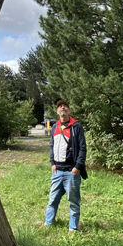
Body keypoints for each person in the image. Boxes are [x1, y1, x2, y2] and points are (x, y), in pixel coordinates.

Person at [44, 99, 87, 233]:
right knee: (52, 200)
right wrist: (52, 163)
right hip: (57, 171)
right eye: (60, 106)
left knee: (73, 202)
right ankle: (48, 224)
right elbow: (51, 146)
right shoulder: (55, 127)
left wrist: (77, 167)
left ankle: (73, 228)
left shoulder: (76, 126)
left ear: (69, 110)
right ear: (57, 111)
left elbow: (82, 148)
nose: (63, 108)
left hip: (71, 172)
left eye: (65, 106)